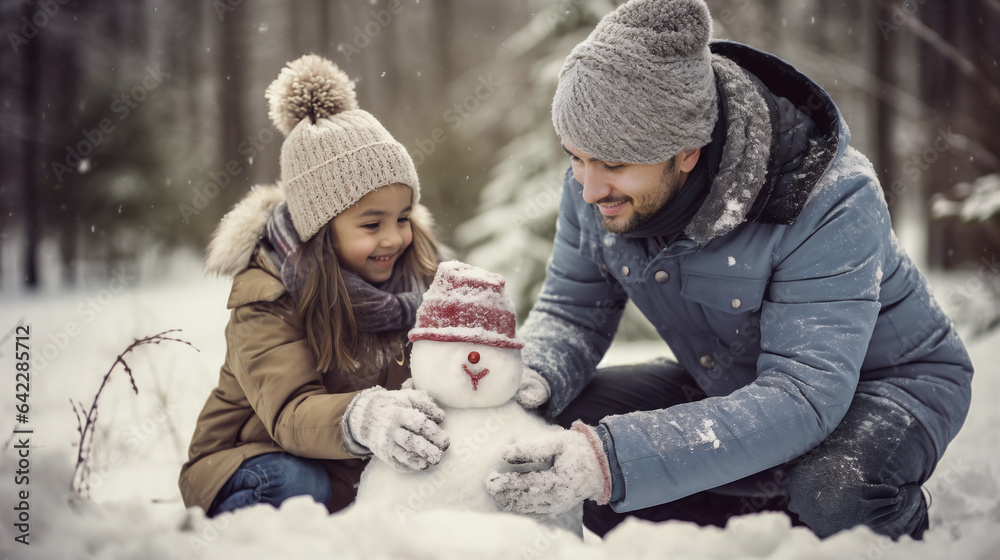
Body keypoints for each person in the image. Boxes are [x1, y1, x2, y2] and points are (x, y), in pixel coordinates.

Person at [485, 0, 974, 541]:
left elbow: (804, 395)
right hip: (731, 382)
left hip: (880, 387)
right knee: (543, 430)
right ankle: (758, 519)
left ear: (687, 151)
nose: (588, 186)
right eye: (574, 156)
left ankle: (890, 521)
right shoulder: (599, 192)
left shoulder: (827, 198)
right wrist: (526, 384)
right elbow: (571, 314)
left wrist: (608, 462)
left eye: (613, 164)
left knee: (834, 491)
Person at [178, 54, 453, 517]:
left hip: (339, 467)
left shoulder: (420, 280)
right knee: (298, 482)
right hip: (247, 463)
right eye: (371, 224)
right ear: (321, 230)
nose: (393, 238)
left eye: (403, 218)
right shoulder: (267, 298)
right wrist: (360, 417)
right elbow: (289, 414)